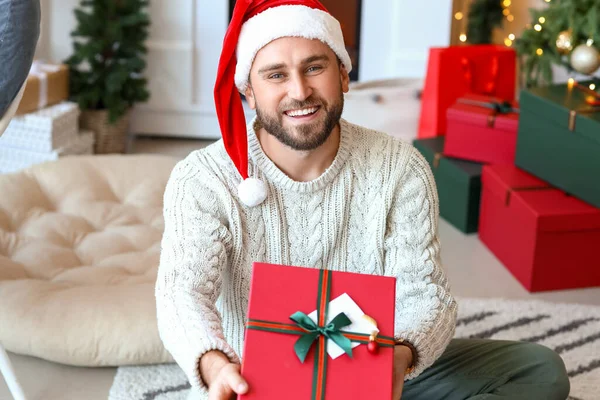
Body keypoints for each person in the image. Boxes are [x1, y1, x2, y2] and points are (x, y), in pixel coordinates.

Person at [156, 1, 570, 399]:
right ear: (248, 91)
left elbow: (425, 294)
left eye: (314, 67)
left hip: (372, 366)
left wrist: (398, 357)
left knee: (538, 370)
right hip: (255, 380)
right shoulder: (204, 178)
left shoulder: (400, 167)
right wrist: (216, 366)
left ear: (344, 75)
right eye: (276, 75)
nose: (300, 91)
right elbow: (182, 295)